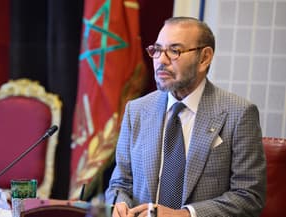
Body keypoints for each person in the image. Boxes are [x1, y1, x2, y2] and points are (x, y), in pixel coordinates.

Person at [105, 17, 266, 217]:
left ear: (204, 58)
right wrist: (120, 205)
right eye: (156, 50)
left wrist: (185, 215)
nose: (161, 60)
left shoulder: (239, 113)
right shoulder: (136, 111)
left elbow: (249, 197)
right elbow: (120, 184)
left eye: (174, 51)